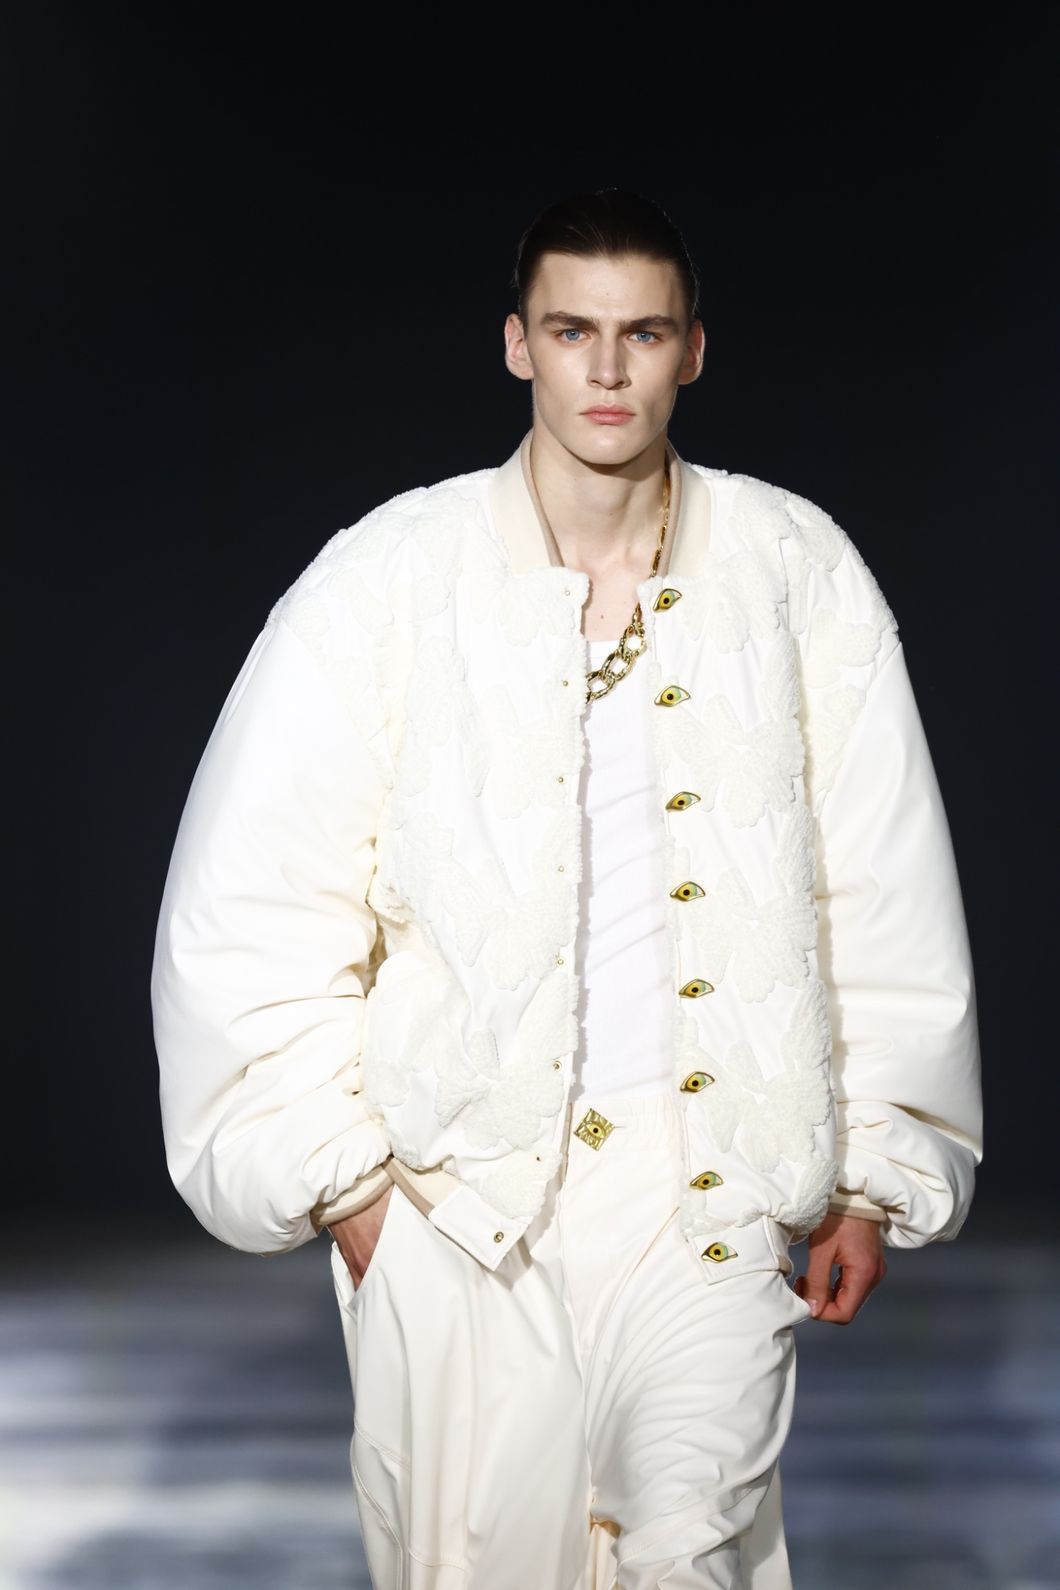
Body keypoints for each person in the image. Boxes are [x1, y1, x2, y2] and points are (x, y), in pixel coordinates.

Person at [151, 189, 983, 1589]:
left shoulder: (793, 570)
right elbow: (257, 896)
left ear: (693, 351)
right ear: (517, 344)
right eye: (572, 331)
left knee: (689, 1550)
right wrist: (353, 1195)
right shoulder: (391, 579)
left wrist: (871, 1171)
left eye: (642, 333)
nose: (607, 369)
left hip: (709, 1188)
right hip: (463, 1207)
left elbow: (877, 875)